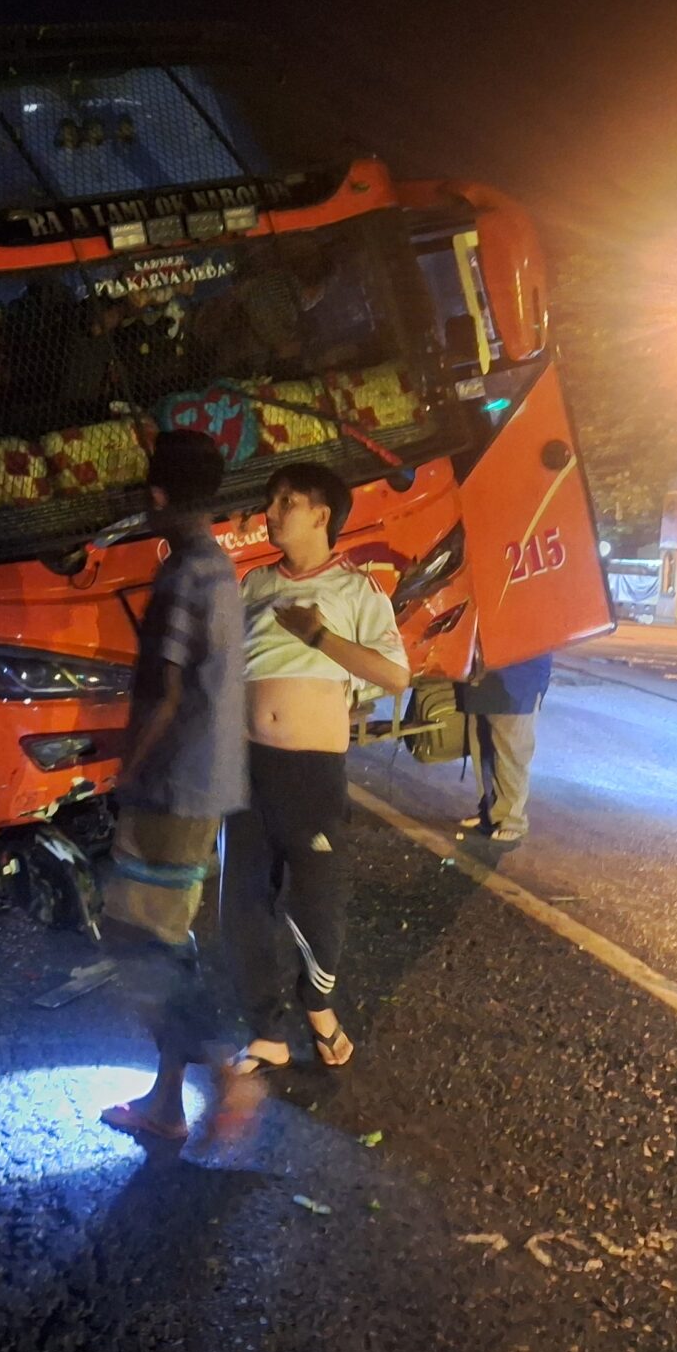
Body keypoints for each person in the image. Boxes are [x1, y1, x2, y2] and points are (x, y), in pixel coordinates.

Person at [96, 432, 256, 1145]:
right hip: (208, 785)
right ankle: (166, 1102)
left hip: (169, 786)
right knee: (169, 936)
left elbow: (163, 693)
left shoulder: (180, 574)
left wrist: (126, 771)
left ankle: (225, 1069)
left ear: (156, 495)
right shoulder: (220, 568)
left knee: (137, 938)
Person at [226, 463, 408, 1081]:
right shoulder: (253, 583)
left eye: (287, 501)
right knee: (242, 903)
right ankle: (265, 1032)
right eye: (271, 500)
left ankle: (318, 1007)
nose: (272, 512)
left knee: (318, 900)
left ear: (321, 514)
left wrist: (320, 638)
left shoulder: (357, 590)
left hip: (312, 774)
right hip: (248, 769)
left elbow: (395, 675)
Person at [456, 653, 551, 844]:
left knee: (511, 753)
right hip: (483, 676)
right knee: (482, 750)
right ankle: (489, 813)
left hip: (518, 681)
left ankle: (513, 821)